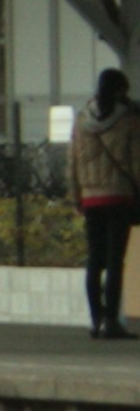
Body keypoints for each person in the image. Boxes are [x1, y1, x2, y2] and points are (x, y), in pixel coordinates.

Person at [77, 68, 140, 338]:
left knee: (94, 259)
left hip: (90, 198)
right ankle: (111, 322)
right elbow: (136, 161)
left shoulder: (81, 120)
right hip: (119, 197)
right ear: (119, 91)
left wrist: (76, 195)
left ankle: (95, 320)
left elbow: (72, 161)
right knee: (115, 260)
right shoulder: (128, 121)